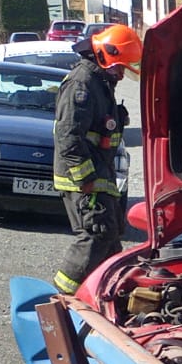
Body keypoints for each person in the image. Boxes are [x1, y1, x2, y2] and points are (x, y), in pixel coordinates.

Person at [51, 24, 142, 295]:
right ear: (104, 55)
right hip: (84, 180)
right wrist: (86, 178)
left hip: (100, 176)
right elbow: (68, 136)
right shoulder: (82, 83)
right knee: (94, 237)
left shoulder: (100, 82)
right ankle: (60, 302)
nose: (122, 74)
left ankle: (99, 302)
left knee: (111, 241)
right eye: (119, 66)